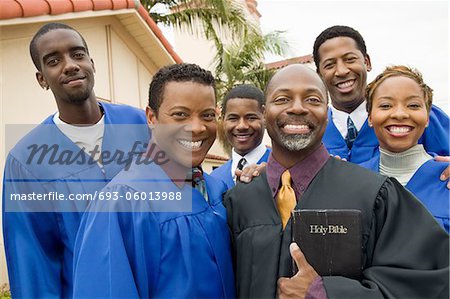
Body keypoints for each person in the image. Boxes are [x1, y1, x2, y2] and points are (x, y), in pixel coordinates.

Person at [224, 64, 449, 298]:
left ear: (327, 111)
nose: (298, 108)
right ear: (263, 112)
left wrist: (324, 293)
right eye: (282, 99)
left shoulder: (373, 194)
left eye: (312, 99)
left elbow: (429, 282)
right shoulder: (239, 199)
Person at [2, 23, 148, 298]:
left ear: (92, 63)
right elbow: (33, 263)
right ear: (42, 78)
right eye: (54, 61)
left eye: (78, 54)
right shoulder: (26, 162)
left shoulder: (141, 125)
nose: (70, 65)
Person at [72, 63, 234, 298]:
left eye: (207, 115)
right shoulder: (121, 202)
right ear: (151, 117)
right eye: (180, 114)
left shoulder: (217, 189)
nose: (197, 127)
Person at [313, 25, 449, 165]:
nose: (341, 71)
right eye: (329, 65)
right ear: (319, 75)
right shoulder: (314, 131)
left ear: (367, 62)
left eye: (350, 59)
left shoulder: (419, 116)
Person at [359, 65, 449, 233]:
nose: (400, 114)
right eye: (386, 106)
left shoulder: (446, 178)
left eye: (413, 105)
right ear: (370, 118)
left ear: (427, 118)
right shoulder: (352, 179)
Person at [211, 84, 270, 188]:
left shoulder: (282, 169)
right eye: (233, 118)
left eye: (251, 118)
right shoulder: (214, 179)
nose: (242, 126)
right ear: (223, 120)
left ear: (264, 116)